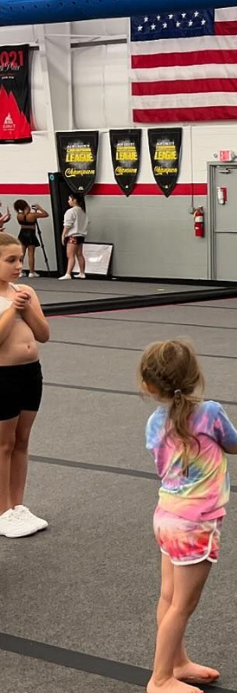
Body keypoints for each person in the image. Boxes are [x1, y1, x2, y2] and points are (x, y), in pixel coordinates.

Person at [140, 339, 237, 693]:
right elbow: (235, 445)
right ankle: (161, 676)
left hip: (167, 514)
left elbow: (161, 462)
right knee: (183, 604)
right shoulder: (210, 412)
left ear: (149, 386)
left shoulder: (155, 422)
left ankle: (177, 661)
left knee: (169, 597)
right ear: (196, 376)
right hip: (195, 523)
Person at [0, 232, 50, 538]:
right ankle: (2, 509)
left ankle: (18, 505)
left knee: (22, 440)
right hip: (2, 376)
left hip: (31, 373)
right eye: (10, 260)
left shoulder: (25, 290)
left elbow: (43, 334)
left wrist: (26, 305)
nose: (18, 265)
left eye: (20, 259)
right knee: (2, 444)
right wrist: (12, 309)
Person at [14, 200, 47, 277]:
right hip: (30, 234)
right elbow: (45, 214)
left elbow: (23, 221)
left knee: (21, 254)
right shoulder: (32, 215)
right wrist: (39, 208)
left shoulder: (19, 215)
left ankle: (20, 271)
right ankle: (31, 272)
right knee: (31, 254)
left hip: (22, 233)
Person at [59, 193, 88, 280]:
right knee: (79, 254)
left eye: (69, 199)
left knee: (70, 255)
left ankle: (68, 273)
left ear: (74, 200)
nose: (68, 201)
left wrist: (63, 234)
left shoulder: (71, 211)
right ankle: (82, 272)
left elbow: (67, 225)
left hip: (73, 236)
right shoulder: (82, 211)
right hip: (81, 235)